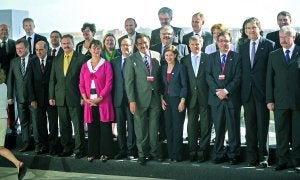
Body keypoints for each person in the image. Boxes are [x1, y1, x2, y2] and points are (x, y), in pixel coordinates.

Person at [239, 17, 274, 168]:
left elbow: (271, 72)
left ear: (259, 28)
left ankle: (263, 157)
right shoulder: (242, 46)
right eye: (248, 28)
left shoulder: (269, 45)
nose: (251, 30)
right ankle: (251, 156)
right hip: (247, 93)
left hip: (262, 93)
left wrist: (270, 95)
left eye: (253, 27)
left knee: (262, 126)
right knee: (250, 126)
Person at [266, 25, 300, 172]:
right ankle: (282, 160)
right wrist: (269, 100)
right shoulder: (274, 55)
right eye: (281, 37)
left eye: (287, 37)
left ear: (294, 38)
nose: (283, 40)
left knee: (298, 133)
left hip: (298, 101)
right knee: (281, 132)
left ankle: (297, 161)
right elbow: (269, 80)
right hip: (280, 101)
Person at [124, 33, 162, 165]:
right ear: (136, 45)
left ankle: (154, 153)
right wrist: (131, 100)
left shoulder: (156, 56)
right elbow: (128, 82)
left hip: (155, 98)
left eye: (145, 43)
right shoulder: (131, 59)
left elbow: (160, 78)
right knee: (140, 129)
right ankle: (142, 154)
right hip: (139, 100)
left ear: (149, 42)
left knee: (154, 128)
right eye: (139, 44)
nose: (143, 45)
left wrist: (162, 97)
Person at [206, 31, 241, 165]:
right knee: (219, 127)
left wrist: (226, 91)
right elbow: (208, 76)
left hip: (231, 98)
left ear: (230, 42)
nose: (223, 43)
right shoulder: (211, 57)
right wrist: (218, 92)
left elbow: (238, 77)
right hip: (216, 98)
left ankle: (234, 154)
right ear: (217, 42)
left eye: (226, 41)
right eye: (221, 41)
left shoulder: (236, 57)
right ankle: (219, 153)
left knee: (233, 127)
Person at [49, 34, 85, 159]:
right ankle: (67, 148)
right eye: (63, 43)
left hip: (75, 96)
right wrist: (51, 96)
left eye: (68, 43)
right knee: (64, 125)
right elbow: (52, 79)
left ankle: (79, 149)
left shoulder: (81, 58)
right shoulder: (57, 59)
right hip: (60, 97)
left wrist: (83, 97)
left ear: (73, 43)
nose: (66, 45)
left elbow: (84, 80)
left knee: (78, 126)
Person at [79, 39, 114, 162]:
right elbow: (81, 84)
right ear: (89, 50)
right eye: (93, 48)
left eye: (98, 48)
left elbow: (109, 84)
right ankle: (93, 153)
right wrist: (85, 98)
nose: (96, 50)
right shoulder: (85, 66)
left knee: (105, 128)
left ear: (101, 50)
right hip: (89, 102)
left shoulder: (106, 64)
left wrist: (100, 98)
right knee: (92, 128)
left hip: (103, 101)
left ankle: (106, 153)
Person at [181, 35, 212, 162]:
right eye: (193, 44)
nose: (195, 46)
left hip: (205, 97)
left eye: (198, 44)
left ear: (202, 44)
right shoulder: (184, 60)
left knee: (205, 126)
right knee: (191, 126)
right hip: (191, 98)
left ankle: (203, 151)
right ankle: (192, 150)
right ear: (189, 45)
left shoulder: (208, 58)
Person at [27, 41, 59, 155]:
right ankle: (43, 145)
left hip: (51, 98)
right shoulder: (32, 62)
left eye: (40, 49)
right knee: (40, 124)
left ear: (47, 49)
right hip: (37, 99)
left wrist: (54, 96)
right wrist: (32, 99)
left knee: (53, 123)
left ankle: (53, 146)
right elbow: (29, 82)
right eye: (36, 50)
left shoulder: (54, 60)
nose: (38, 52)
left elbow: (56, 80)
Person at [7, 38, 38, 153]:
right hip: (20, 98)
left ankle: (38, 144)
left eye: (21, 48)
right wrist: (10, 96)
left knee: (35, 121)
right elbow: (10, 80)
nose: (18, 51)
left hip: (33, 98)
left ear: (27, 48)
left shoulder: (35, 59)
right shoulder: (14, 62)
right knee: (23, 121)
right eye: (17, 49)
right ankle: (26, 143)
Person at [0, 68, 27, 180]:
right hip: (2, 118)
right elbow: (7, 105)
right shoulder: (5, 86)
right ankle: (18, 163)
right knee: (0, 148)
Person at [111, 38, 136, 160]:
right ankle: (122, 149)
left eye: (128, 45)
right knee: (120, 126)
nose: (126, 47)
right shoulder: (114, 61)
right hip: (118, 98)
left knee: (131, 126)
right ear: (120, 47)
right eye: (123, 45)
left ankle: (131, 150)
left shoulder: (136, 60)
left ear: (132, 46)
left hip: (131, 99)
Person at [161, 45, 187, 162]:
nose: (168, 57)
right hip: (166, 101)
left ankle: (177, 155)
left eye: (171, 55)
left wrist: (182, 101)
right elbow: (161, 86)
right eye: (166, 55)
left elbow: (184, 86)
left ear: (175, 55)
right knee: (169, 128)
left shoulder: (181, 68)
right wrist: (161, 99)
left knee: (177, 128)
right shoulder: (163, 68)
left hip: (177, 100)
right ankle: (171, 154)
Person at [0, 24, 16, 135]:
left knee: (11, 103)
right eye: (1, 30)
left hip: (10, 78)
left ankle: (13, 127)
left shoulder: (13, 44)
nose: (4, 32)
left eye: (6, 30)